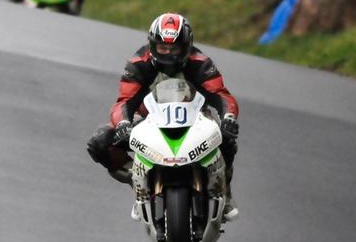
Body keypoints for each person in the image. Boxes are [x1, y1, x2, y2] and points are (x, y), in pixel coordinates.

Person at [86, 12, 241, 221]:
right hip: (148, 120)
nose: (168, 53)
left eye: (174, 48)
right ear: (152, 44)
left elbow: (220, 95)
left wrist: (229, 117)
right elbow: (124, 101)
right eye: (162, 48)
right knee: (100, 142)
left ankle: (224, 189)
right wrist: (123, 123)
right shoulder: (138, 64)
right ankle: (138, 180)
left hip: (195, 118)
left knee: (227, 139)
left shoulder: (200, 62)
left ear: (187, 45)